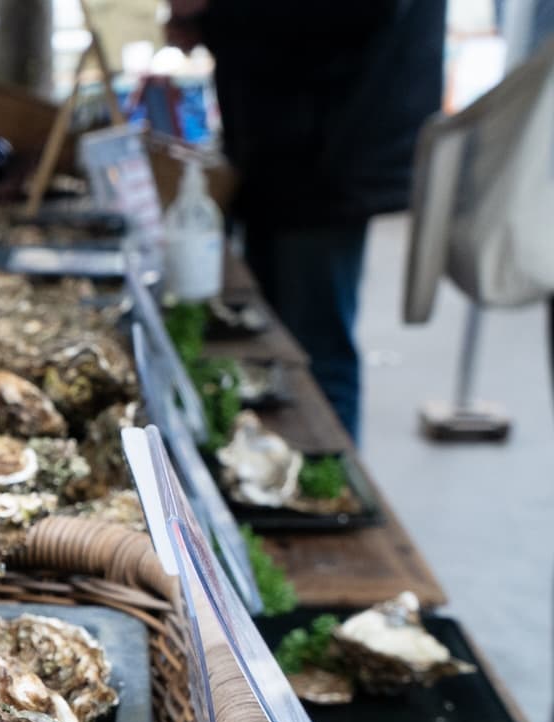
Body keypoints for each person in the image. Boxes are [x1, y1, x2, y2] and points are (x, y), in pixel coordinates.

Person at [168, 0, 448, 438]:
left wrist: (217, 12)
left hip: (328, 151)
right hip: (288, 150)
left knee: (316, 354)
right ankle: (290, 472)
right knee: (277, 343)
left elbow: (343, 16)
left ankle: (327, 490)